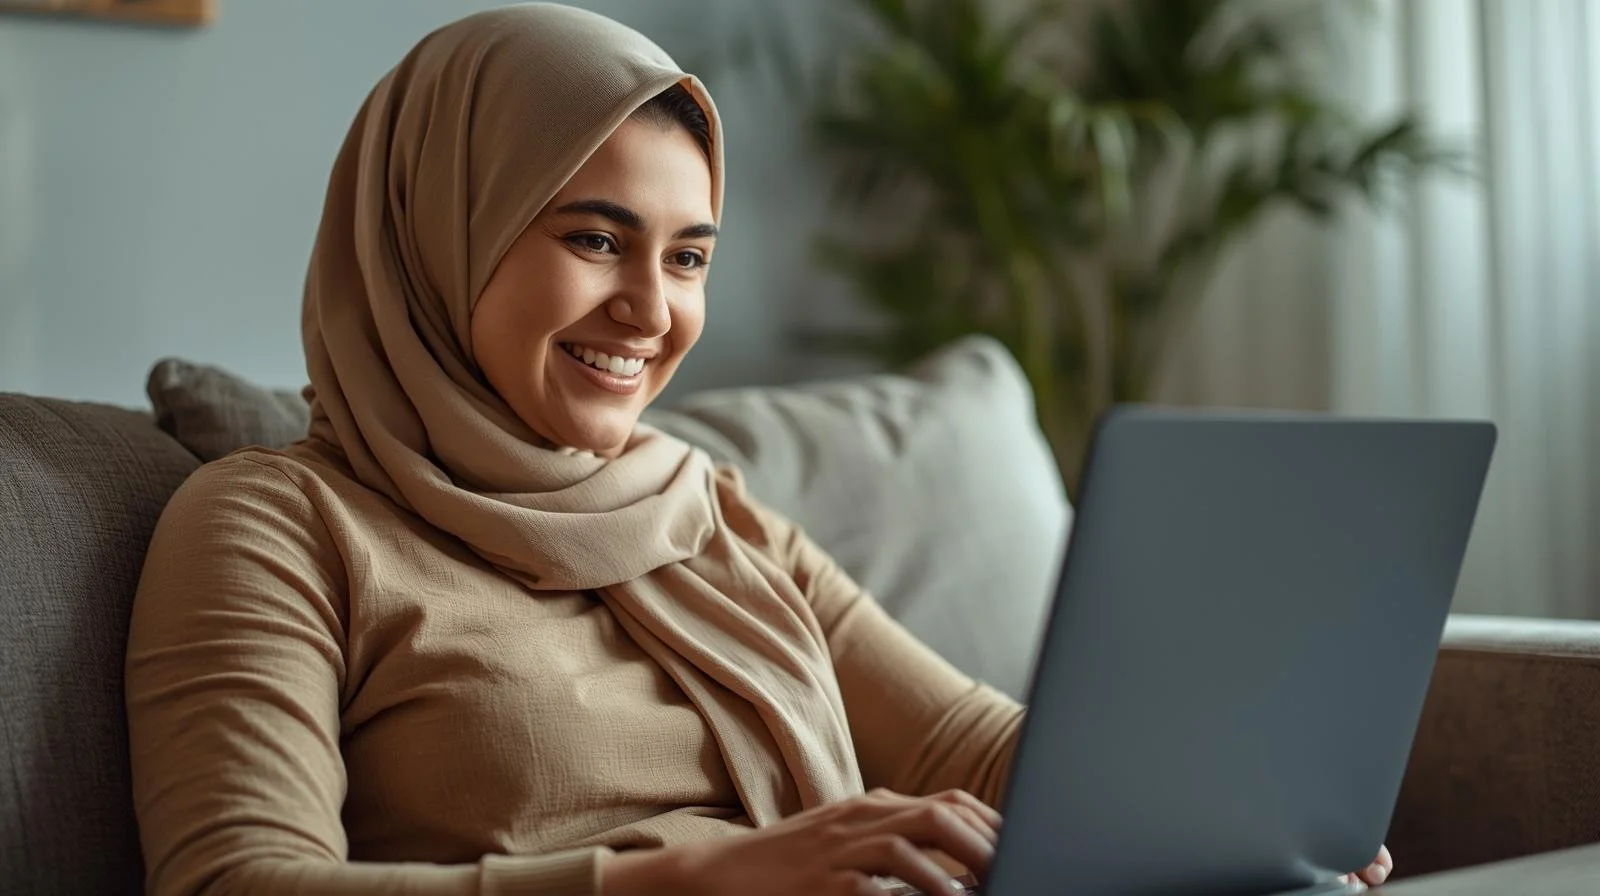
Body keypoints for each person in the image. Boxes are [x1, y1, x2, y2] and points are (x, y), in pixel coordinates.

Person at [123, 5, 1393, 895]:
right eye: (594, 238)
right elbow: (237, 879)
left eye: (687, 256)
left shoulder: (700, 509)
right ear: (435, 232)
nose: (650, 309)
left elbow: (967, 745)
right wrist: (690, 878)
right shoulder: (279, 523)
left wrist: (1219, 803)